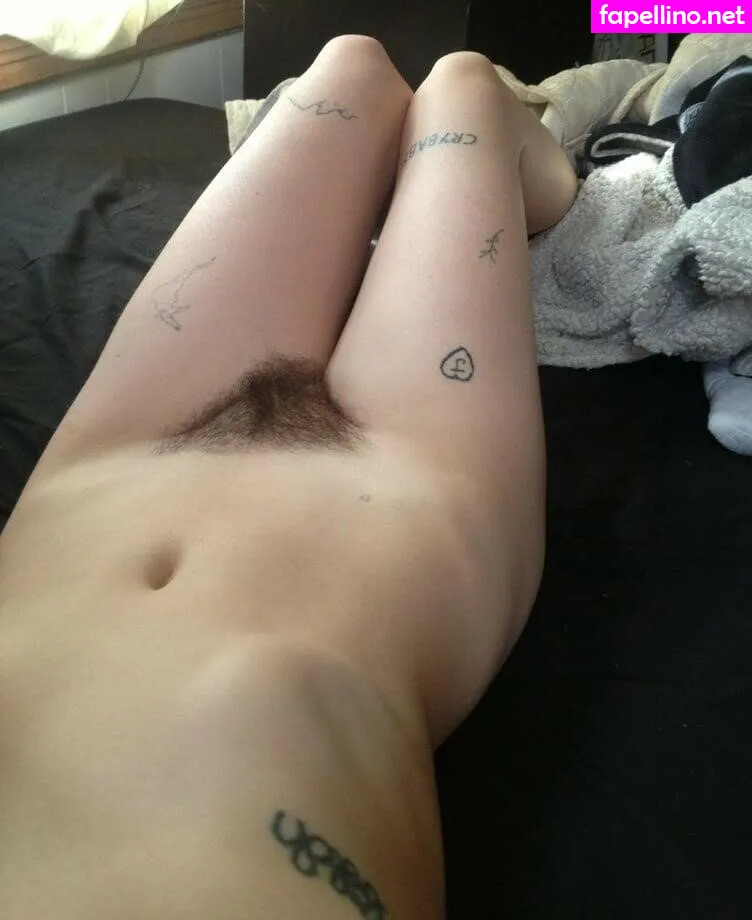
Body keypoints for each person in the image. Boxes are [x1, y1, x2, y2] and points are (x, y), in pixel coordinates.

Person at [0, 36, 577, 920]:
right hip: (400, 507)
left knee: (352, 65)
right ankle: (525, 155)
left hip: (117, 466)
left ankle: (408, 167)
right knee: (463, 85)